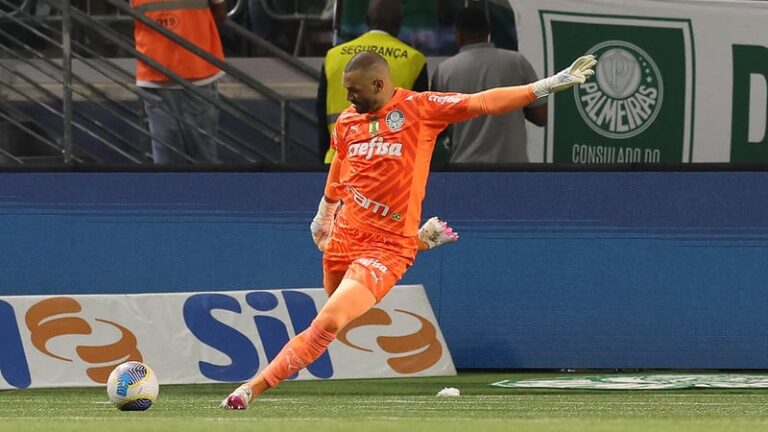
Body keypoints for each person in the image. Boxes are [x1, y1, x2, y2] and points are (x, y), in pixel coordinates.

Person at [222, 50, 596, 409]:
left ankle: (250, 390)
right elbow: (341, 162)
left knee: (329, 322)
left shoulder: (420, 109)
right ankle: (417, 241)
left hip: (384, 250)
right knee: (335, 306)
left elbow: (482, 102)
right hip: (344, 236)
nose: (348, 97)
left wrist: (546, 85)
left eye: (355, 90)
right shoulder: (348, 122)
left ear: (380, 84)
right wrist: (325, 211)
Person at [316, 0, 428, 164]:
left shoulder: (333, 56)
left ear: (367, 20)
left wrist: (323, 164)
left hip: (339, 162)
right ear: (399, 22)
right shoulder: (413, 60)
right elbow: (420, 123)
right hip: (390, 164)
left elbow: (321, 115)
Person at [431, 6, 547, 164]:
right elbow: (541, 117)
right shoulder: (517, 62)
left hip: (465, 171)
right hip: (514, 171)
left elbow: (435, 129)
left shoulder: (444, 71)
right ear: (488, 33)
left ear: (458, 35)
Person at [131, 0, 227, 164]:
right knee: (203, 159)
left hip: (158, 71)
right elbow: (220, 13)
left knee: (167, 161)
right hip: (195, 70)